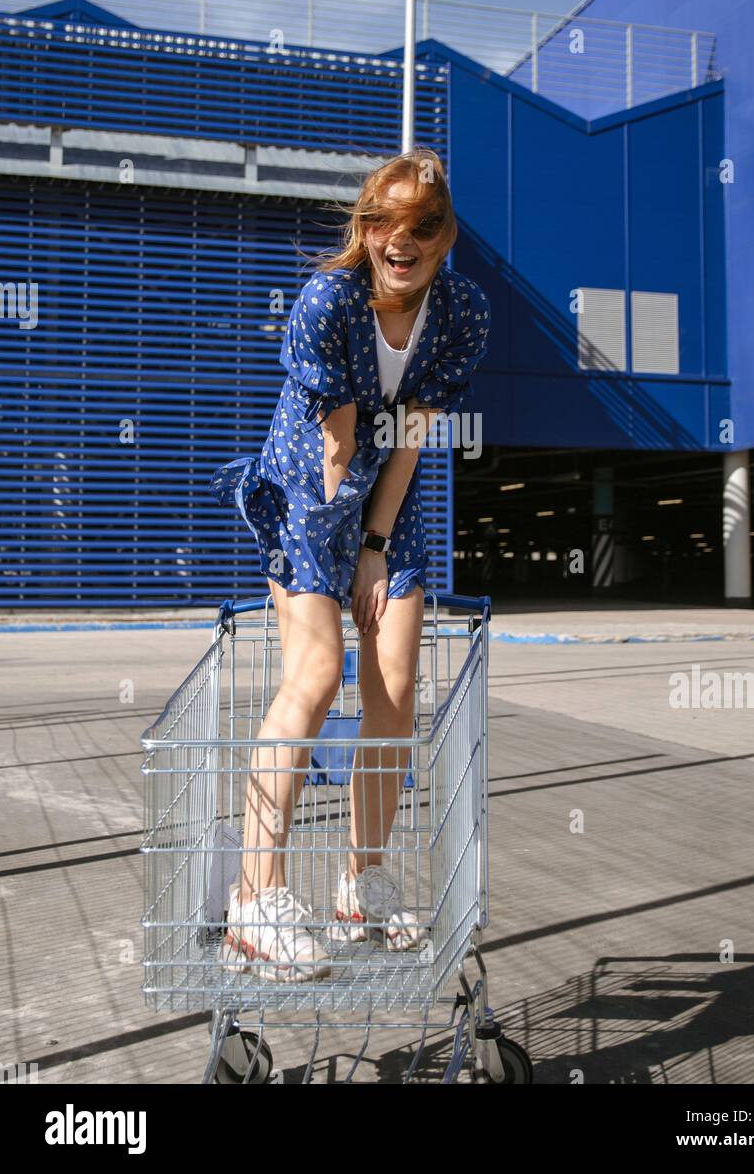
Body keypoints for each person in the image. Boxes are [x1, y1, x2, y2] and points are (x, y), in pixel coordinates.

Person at [210, 146, 491, 981]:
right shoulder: (328, 299)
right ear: (365, 227)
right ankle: (255, 899)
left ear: (444, 238)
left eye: (421, 228)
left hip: (382, 506)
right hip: (305, 496)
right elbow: (335, 445)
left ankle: (361, 881)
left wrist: (373, 550)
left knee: (396, 687)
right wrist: (335, 562)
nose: (398, 242)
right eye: (382, 222)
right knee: (317, 672)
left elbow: (409, 436)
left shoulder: (462, 312)